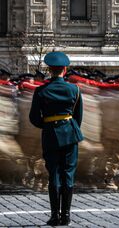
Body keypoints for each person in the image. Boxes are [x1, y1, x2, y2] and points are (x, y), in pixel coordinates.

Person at [29, 52, 84, 226]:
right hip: (69, 134)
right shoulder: (74, 89)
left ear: (49, 70)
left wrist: (47, 126)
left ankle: (54, 216)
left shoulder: (41, 91)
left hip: (51, 135)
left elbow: (34, 117)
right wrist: (69, 129)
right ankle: (66, 215)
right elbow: (78, 116)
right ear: (65, 69)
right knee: (68, 173)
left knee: (54, 174)